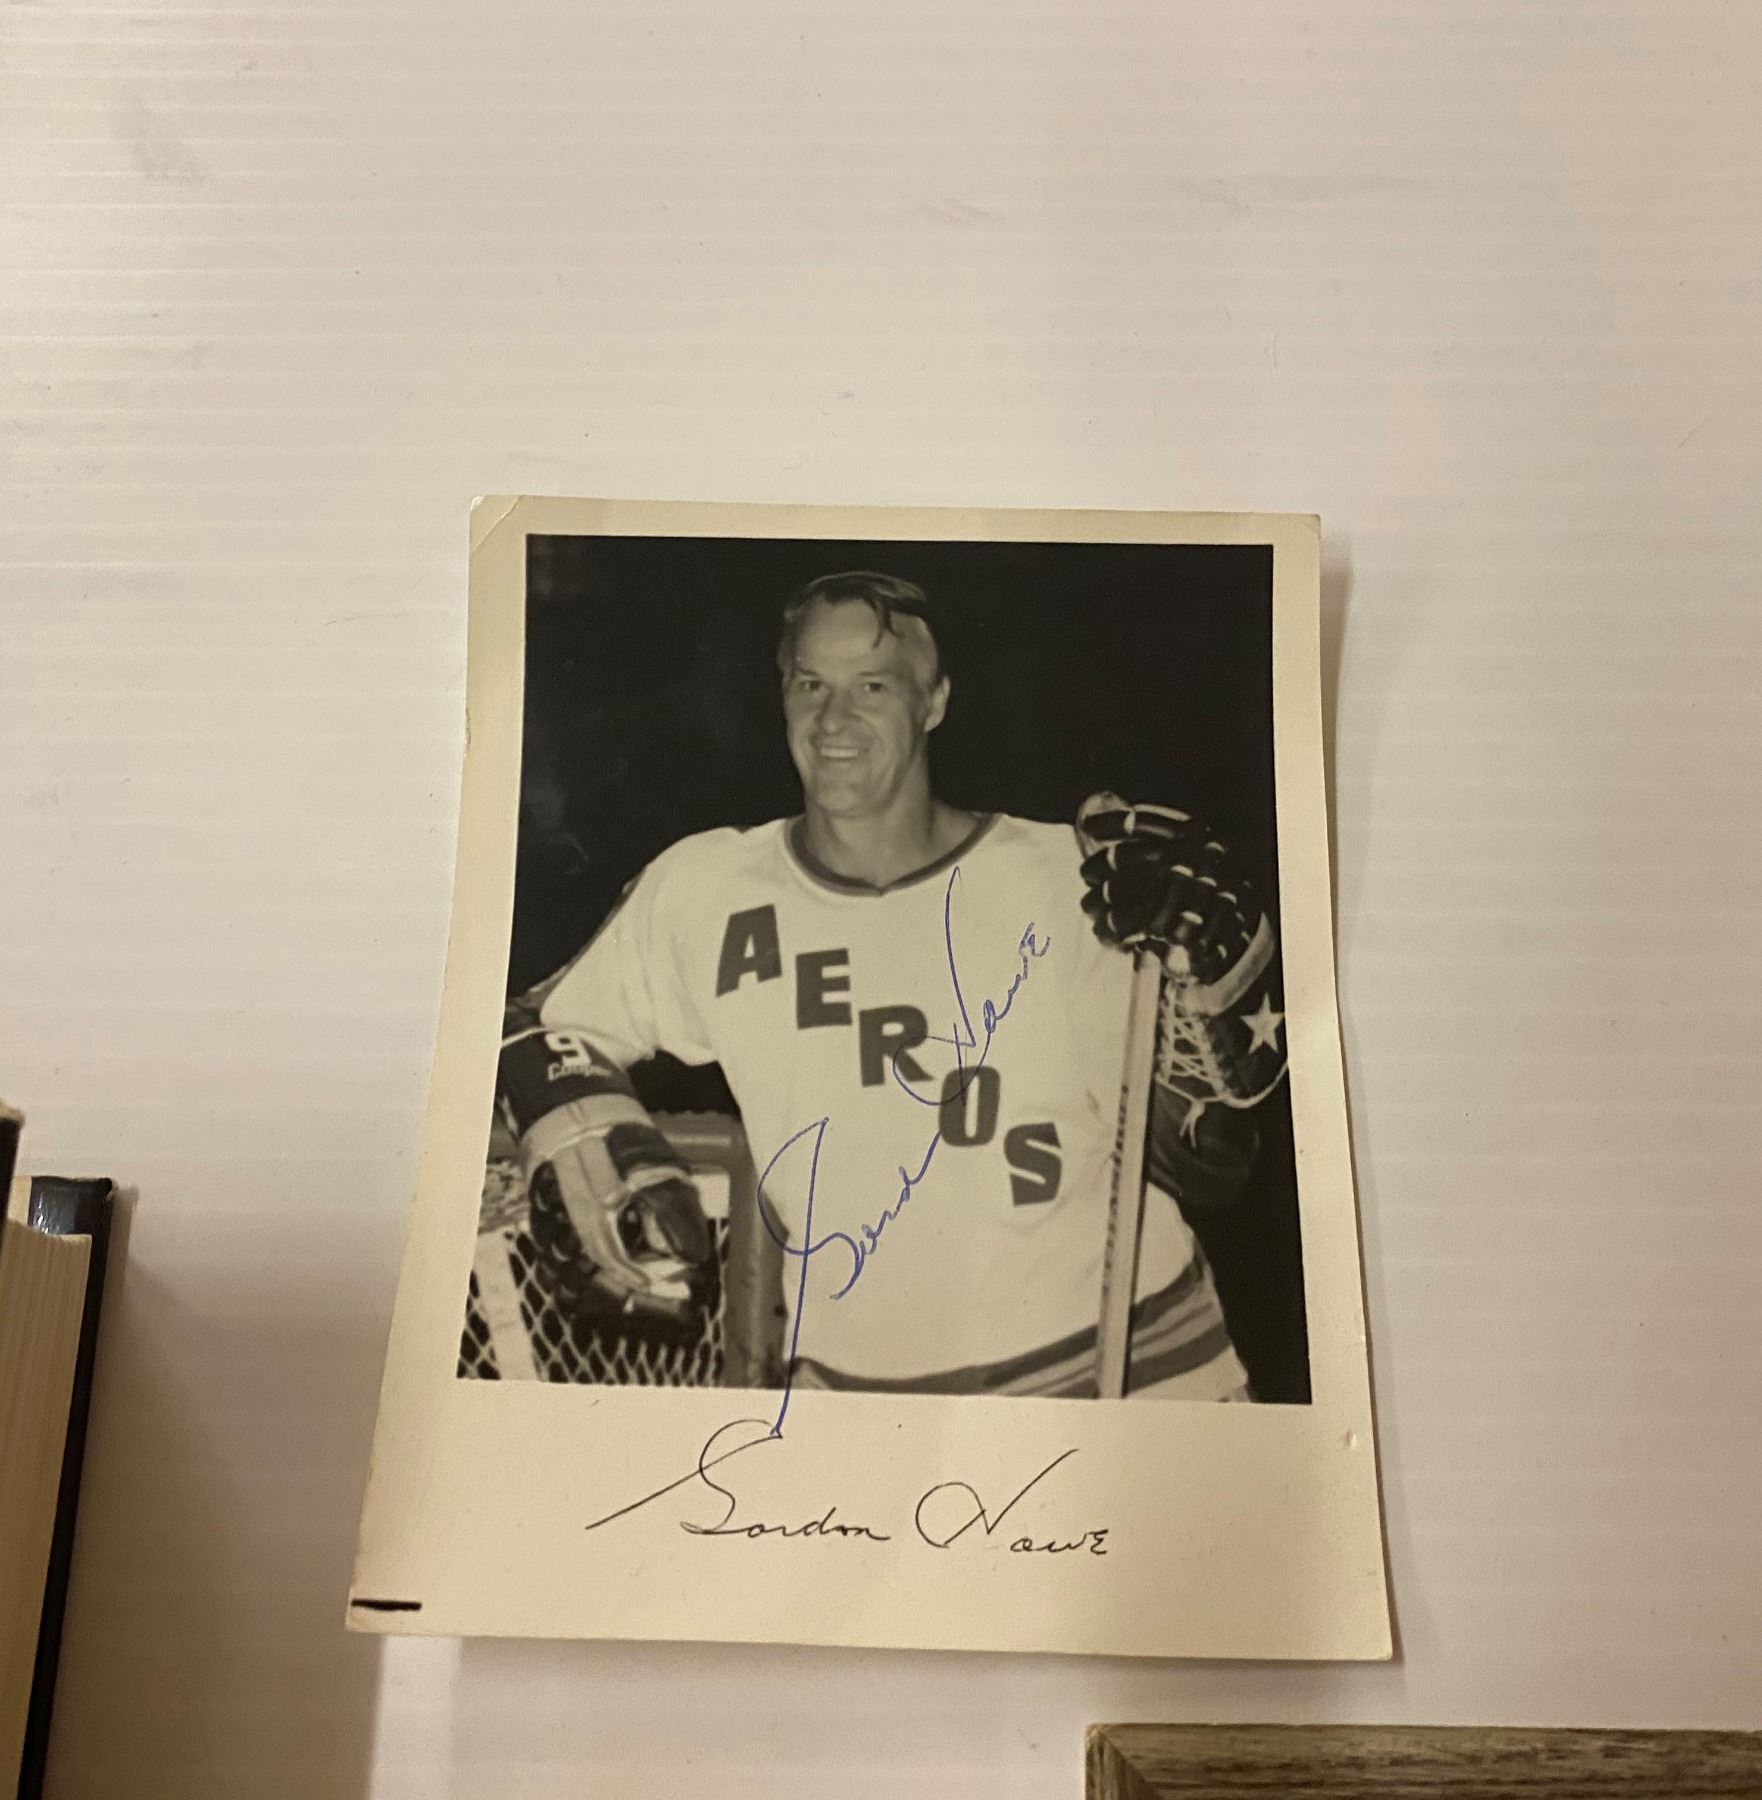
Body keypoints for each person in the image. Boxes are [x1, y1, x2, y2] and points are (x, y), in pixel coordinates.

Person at [495, 572, 1288, 1398]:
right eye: (811, 684)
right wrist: (586, 1131)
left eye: (872, 686)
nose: (834, 720)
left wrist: (1218, 1008)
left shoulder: (1069, 881)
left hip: (1133, 1367)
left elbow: (1204, 1164)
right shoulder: (706, 889)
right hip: (863, 1397)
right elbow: (545, 1029)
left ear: (933, 702)